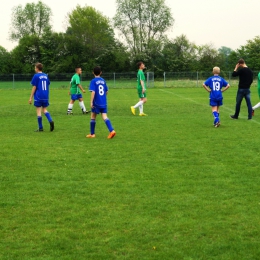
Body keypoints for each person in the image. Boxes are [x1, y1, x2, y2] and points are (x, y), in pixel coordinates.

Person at [86, 66, 116, 139]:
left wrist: (91, 102)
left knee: (93, 116)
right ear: (101, 72)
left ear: (93, 73)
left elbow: (93, 92)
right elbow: (107, 91)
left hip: (96, 102)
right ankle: (112, 130)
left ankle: (92, 134)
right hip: (104, 102)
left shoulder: (93, 81)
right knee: (104, 116)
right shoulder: (103, 80)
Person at [28, 63, 54, 132]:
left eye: (35, 67)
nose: (34, 69)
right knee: (44, 110)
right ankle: (50, 120)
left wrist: (30, 97)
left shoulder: (36, 76)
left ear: (37, 68)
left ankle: (40, 127)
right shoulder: (46, 75)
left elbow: (34, 87)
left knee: (38, 111)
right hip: (45, 96)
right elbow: (48, 84)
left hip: (38, 96)